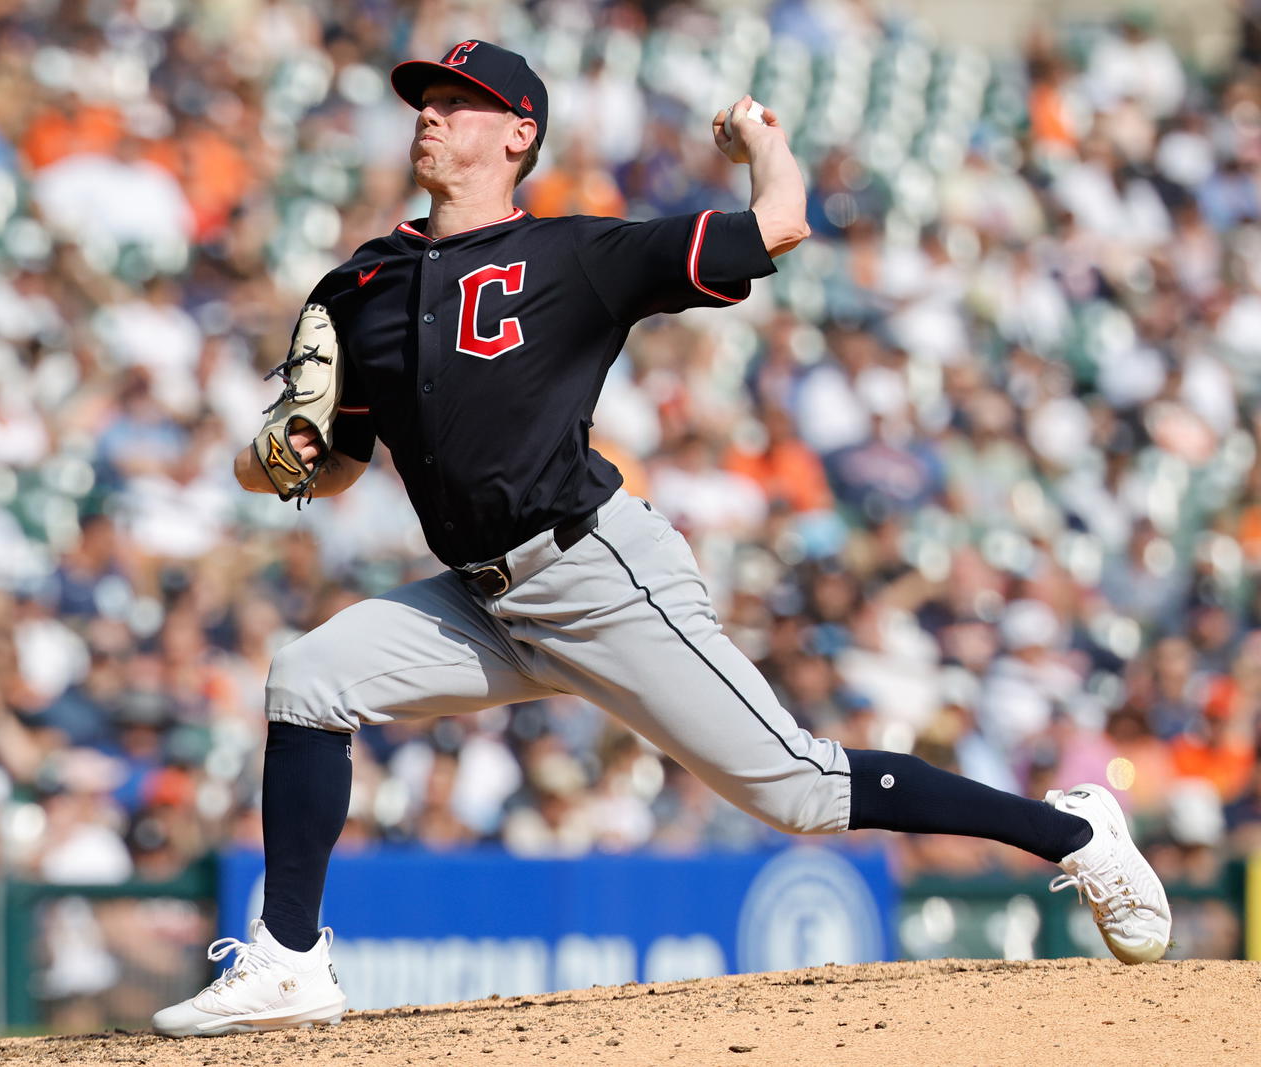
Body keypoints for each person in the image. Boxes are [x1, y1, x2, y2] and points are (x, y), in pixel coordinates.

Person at [152, 40, 1171, 1038]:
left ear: (519, 133)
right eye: (423, 97)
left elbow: (779, 223)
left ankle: (1075, 831)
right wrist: (275, 453)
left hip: (598, 573)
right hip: (481, 597)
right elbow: (323, 469)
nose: (429, 112)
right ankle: (287, 959)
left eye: (457, 100)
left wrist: (759, 138)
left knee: (801, 791)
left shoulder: (575, 254)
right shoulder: (357, 286)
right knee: (308, 676)